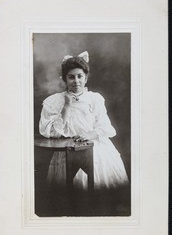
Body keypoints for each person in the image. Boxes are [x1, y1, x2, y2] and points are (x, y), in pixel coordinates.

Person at [39, 51, 129, 191]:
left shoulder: (94, 99)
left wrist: (90, 134)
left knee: (97, 190)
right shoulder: (55, 101)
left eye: (80, 76)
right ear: (64, 79)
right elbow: (49, 132)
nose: (76, 81)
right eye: (71, 77)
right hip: (66, 152)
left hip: (94, 149)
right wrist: (66, 107)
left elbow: (106, 127)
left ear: (86, 78)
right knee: (68, 192)